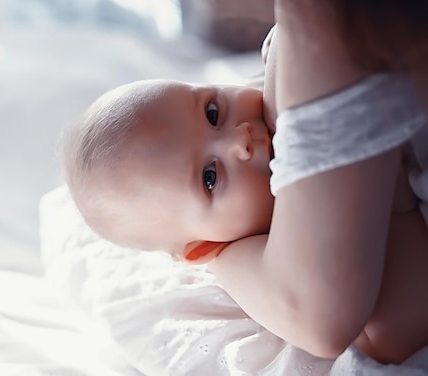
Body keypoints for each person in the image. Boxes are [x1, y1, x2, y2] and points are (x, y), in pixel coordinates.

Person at [61, 20, 428, 364]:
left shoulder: (276, 90)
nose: (241, 139)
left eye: (213, 112)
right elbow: (323, 323)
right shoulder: (230, 256)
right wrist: (390, 195)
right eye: (209, 177)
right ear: (203, 245)